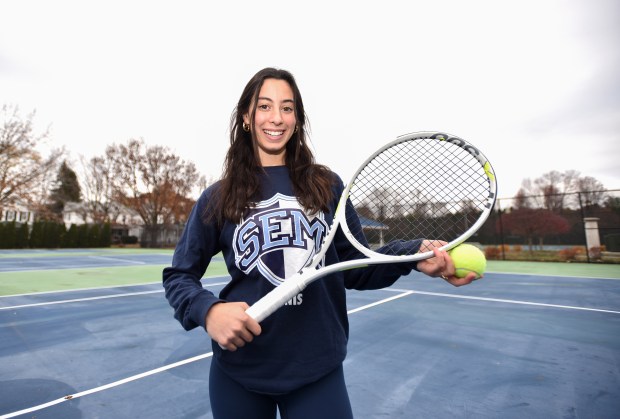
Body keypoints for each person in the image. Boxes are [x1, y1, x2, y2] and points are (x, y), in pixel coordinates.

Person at [163, 67, 478, 419]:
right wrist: (209, 312)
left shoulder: (326, 186)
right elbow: (179, 276)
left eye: (287, 107)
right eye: (264, 106)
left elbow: (359, 266)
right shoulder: (217, 197)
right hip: (240, 370)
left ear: (297, 118)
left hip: (316, 367)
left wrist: (414, 254)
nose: (276, 118)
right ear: (247, 118)